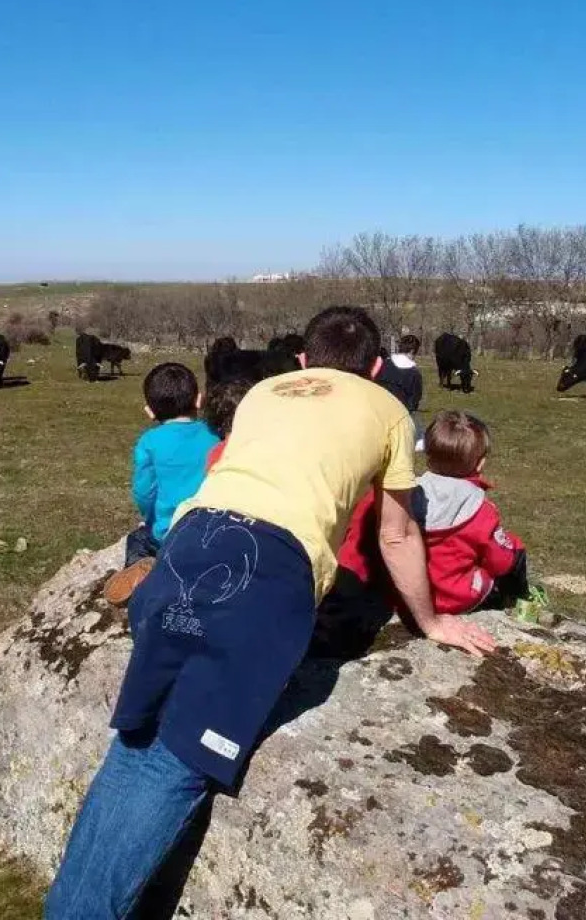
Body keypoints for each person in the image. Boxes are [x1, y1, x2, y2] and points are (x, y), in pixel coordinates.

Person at [45, 306, 495, 920]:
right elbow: (396, 535)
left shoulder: (263, 391)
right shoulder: (389, 409)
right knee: (175, 761)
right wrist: (433, 621)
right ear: (376, 367)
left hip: (188, 543)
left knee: (140, 740)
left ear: (305, 360)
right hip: (266, 571)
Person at [339, 410, 545, 621]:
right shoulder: (481, 510)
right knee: (514, 551)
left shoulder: (398, 497)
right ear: (480, 463)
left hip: (401, 594)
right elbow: (500, 562)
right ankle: (519, 603)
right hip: (456, 597)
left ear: (428, 457)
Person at [105, 364, 217, 605]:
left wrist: (149, 518)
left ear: (150, 411)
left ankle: (140, 579)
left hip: (169, 534)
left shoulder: (150, 442)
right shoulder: (214, 433)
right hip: (213, 532)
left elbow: (144, 492)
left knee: (136, 539)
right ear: (199, 400)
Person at [376, 334, 424, 450]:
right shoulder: (414, 374)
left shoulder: (384, 365)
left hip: (378, 412)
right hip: (400, 416)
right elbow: (414, 401)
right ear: (413, 351)